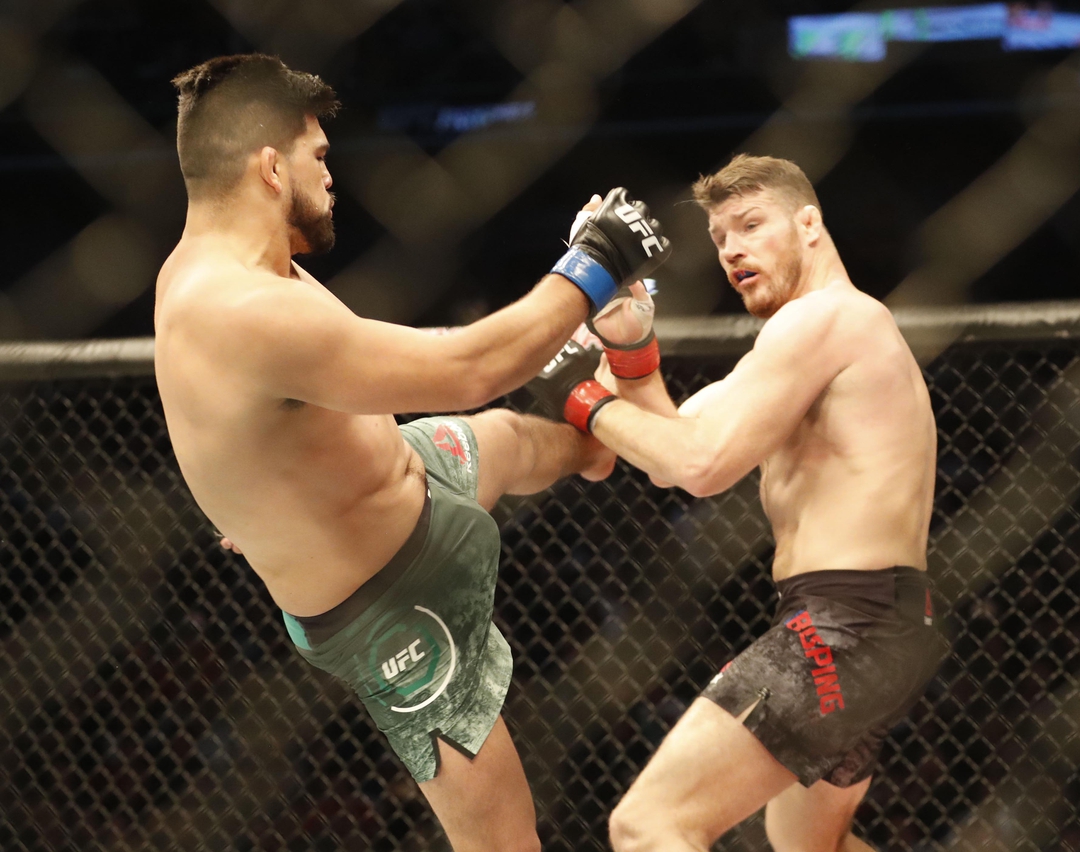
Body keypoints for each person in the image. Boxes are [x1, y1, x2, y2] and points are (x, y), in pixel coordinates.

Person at [153, 53, 669, 852]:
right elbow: (465, 369)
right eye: (318, 156)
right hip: (391, 607)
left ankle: (601, 418)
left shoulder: (237, 271)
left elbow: (225, 416)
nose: (331, 178)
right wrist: (593, 264)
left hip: (410, 468)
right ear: (266, 166)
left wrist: (243, 498)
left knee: (516, 438)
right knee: (503, 840)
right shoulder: (236, 306)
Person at [529, 153, 948, 852]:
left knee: (648, 826)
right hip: (877, 623)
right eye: (721, 238)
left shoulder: (828, 319)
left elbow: (699, 466)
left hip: (845, 622)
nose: (733, 251)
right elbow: (674, 445)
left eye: (752, 226)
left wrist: (576, 389)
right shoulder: (805, 343)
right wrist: (629, 338)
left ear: (810, 225)